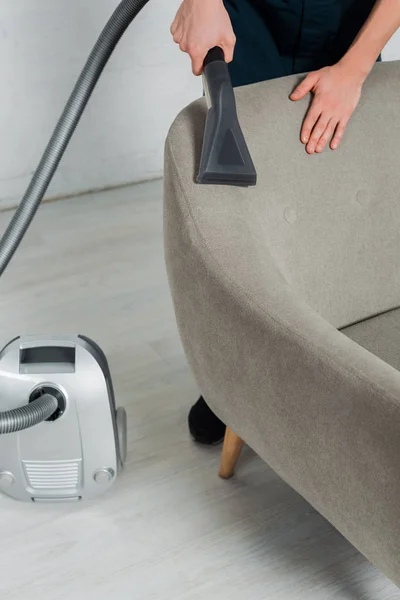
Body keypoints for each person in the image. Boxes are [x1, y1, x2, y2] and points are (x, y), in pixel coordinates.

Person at [170, 0, 400, 445]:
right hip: (252, 12)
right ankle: (232, 378)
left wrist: (354, 70)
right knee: (245, 191)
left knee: (331, 182)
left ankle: (326, 358)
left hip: (351, 13)